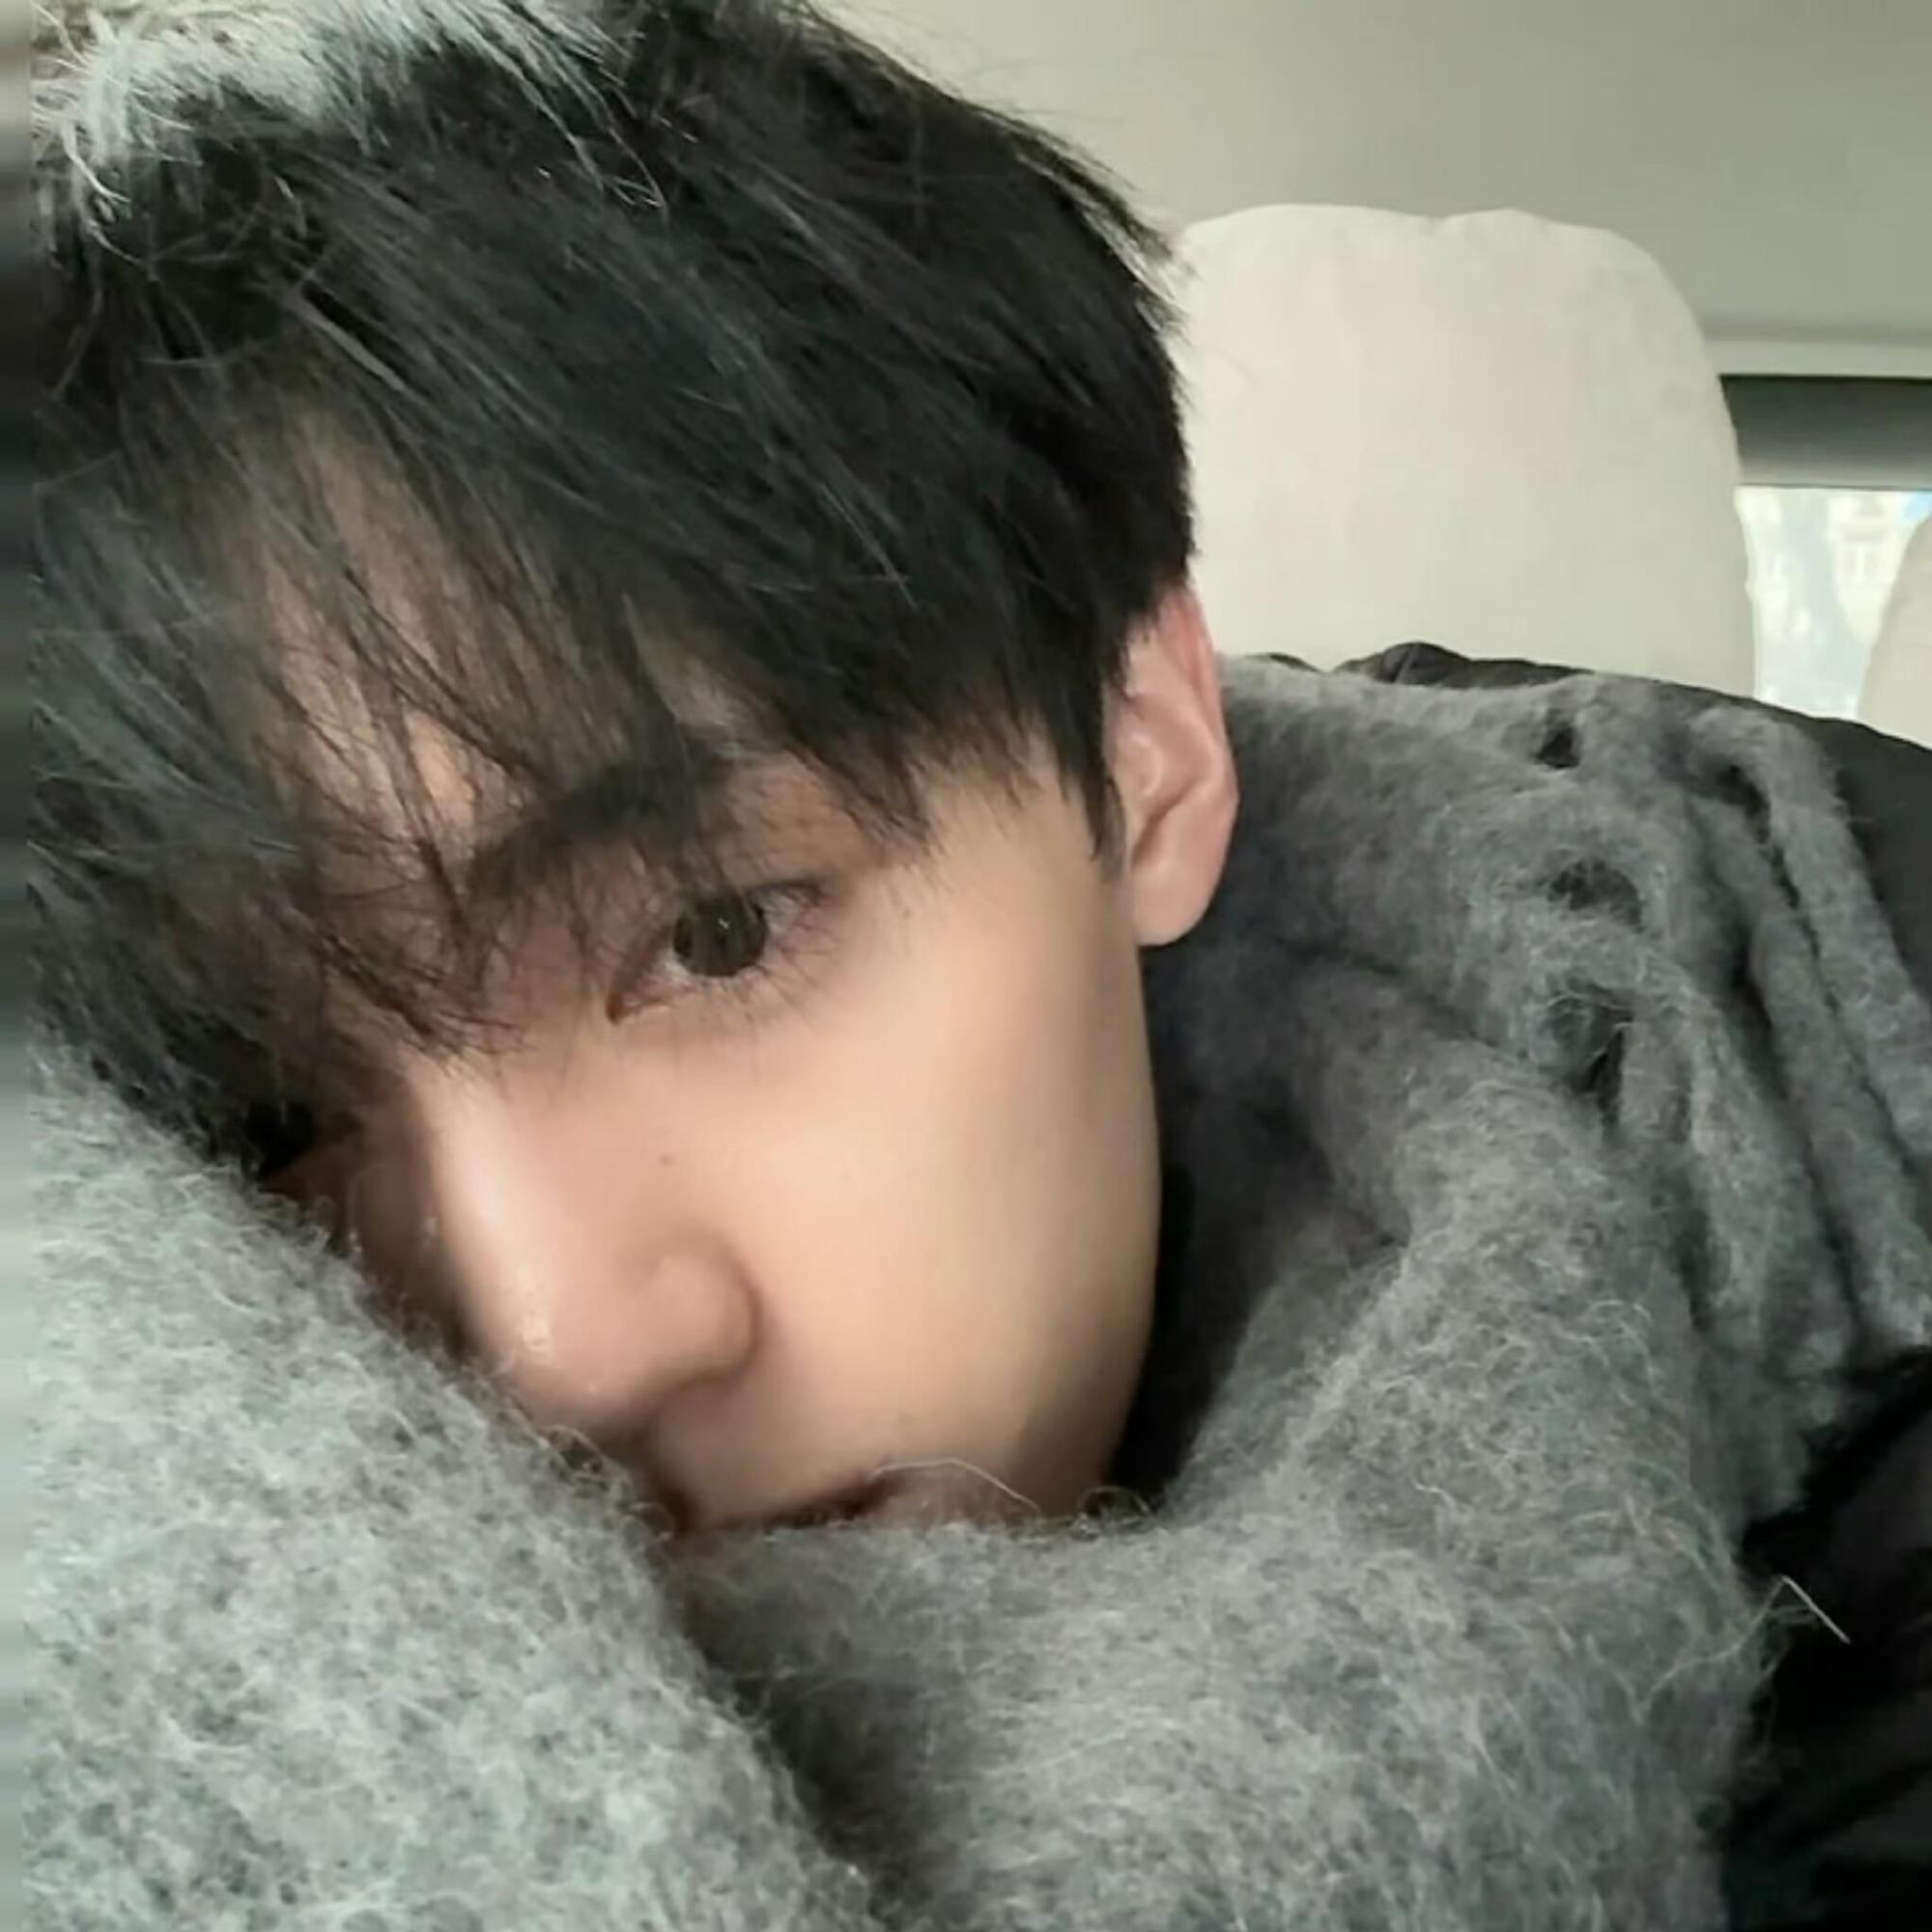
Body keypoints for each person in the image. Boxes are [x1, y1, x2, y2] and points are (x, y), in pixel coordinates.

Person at [29, 4, 1931, 1928]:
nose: (555, 1356)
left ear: (1144, 753)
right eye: (269, 1117)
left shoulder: (1849, 1136)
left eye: (717, 929)